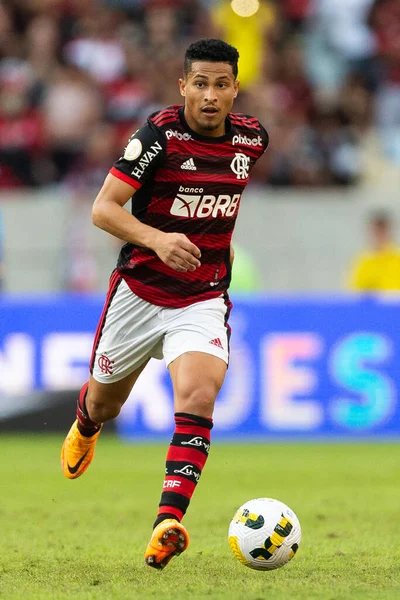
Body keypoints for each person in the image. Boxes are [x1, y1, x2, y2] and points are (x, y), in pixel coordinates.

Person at [60, 38, 269, 569]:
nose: (210, 95)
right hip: (139, 292)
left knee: (199, 397)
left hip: (201, 297)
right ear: (183, 87)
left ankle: (167, 523)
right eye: (200, 83)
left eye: (221, 85)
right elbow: (103, 209)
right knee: (107, 404)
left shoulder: (252, 140)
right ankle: (86, 423)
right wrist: (157, 239)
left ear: (234, 90)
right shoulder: (158, 135)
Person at [348, 211, 400, 291]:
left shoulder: (397, 258)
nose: (379, 236)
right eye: (376, 232)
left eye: (382, 232)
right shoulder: (363, 262)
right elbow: (354, 293)